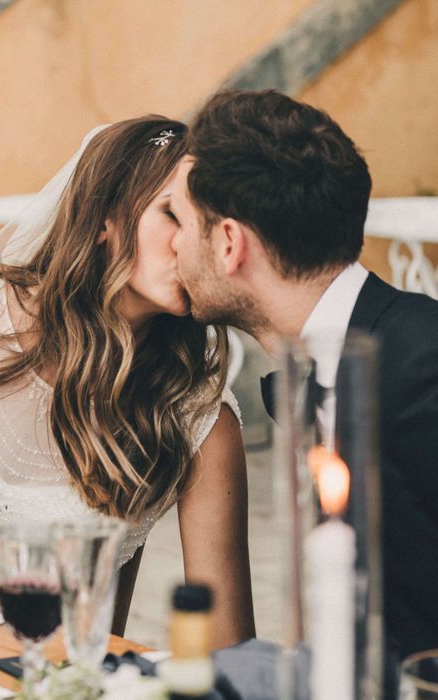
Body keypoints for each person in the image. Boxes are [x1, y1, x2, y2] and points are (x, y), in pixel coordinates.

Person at [0, 116, 256, 648]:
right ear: (106, 216)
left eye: (206, 224)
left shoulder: (200, 419)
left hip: (38, 677)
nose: (188, 244)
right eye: (172, 214)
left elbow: (230, 649)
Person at [169, 89, 438, 665]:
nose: (171, 244)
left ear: (228, 244)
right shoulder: (342, 360)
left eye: (179, 221)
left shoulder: (425, 370)